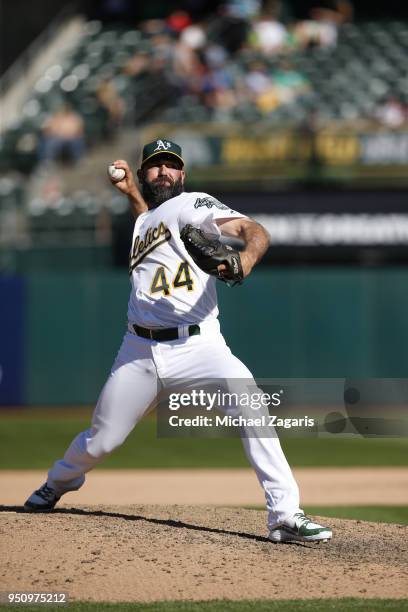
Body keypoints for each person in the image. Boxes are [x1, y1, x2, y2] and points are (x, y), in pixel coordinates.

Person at [24, 138, 332, 543]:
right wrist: (132, 195)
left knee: (249, 400)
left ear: (183, 175)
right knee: (101, 441)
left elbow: (251, 230)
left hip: (199, 346)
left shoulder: (194, 204)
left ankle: (285, 514)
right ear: (143, 174)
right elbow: (150, 220)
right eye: (155, 166)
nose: (164, 172)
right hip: (138, 351)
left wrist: (246, 258)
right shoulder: (143, 222)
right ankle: (58, 481)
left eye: (171, 165)